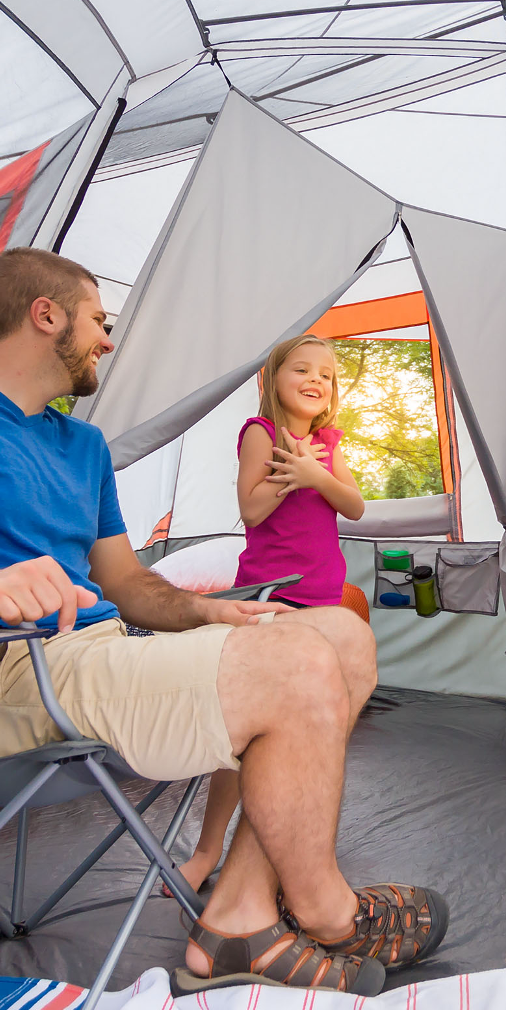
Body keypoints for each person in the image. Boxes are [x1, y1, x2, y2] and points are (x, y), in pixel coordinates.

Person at [0, 246, 446, 998]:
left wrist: (208, 611)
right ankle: (328, 908)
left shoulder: (80, 445)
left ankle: (242, 915)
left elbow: (124, 582)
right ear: (45, 314)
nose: (107, 341)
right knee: (300, 665)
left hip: (93, 654)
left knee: (339, 634)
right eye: (99, 320)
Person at [172, 332, 369, 896]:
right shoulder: (261, 434)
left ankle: (287, 850)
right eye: (301, 369)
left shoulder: (330, 442)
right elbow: (251, 509)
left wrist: (318, 475)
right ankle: (208, 850)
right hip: (270, 596)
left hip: (324, 602)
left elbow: (353, 507)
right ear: (274, 380)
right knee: (249, 734)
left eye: (326, 375)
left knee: (314, 734)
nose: (315, 380)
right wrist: (292, 477)